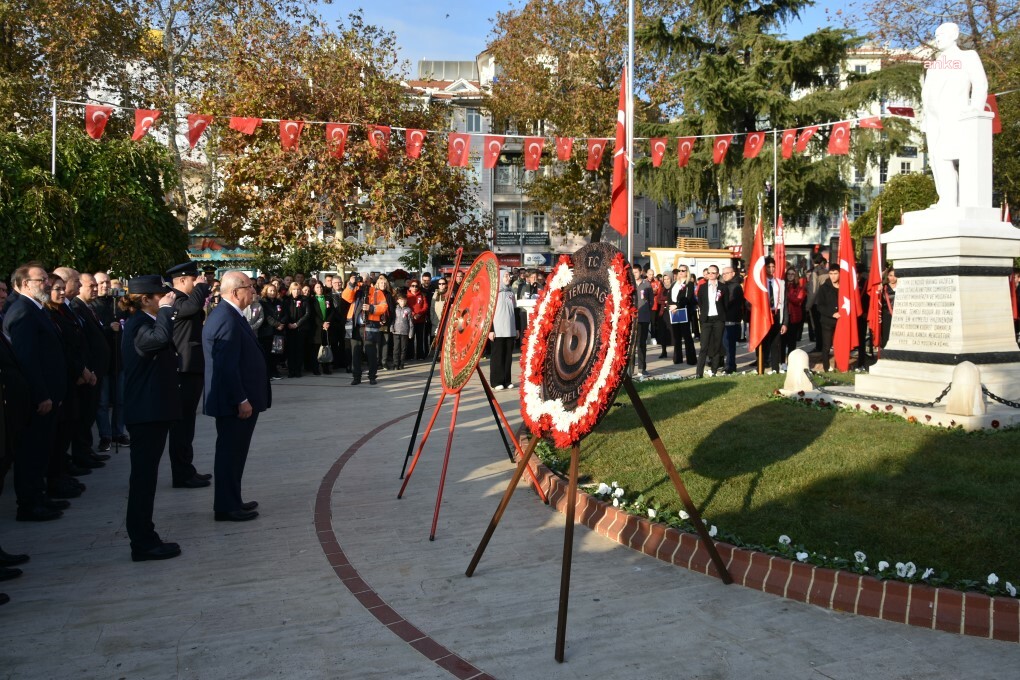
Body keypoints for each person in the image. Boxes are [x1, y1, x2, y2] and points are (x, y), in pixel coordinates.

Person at [120, 276, 182, 561]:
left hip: (154, 411)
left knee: (147, 477)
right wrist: (167, 312)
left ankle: (145, 536)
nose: (166, 299)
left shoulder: (146, 322)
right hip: (146, 413)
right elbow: (157, 341)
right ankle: (143, 542)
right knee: (143, 479)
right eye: (160, 296)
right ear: (145, 299)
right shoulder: (139, 325)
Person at [202, 272, 270, 522]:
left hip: (238, 400)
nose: (253, 291)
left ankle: (233, 499)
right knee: (230, 453)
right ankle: (226, 506)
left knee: (235, 453)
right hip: (233, 403)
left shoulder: (231, 315)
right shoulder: (226, 319)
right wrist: (241, 399)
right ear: (234, 292)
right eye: (249, 287)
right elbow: (226, 367)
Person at [3, 264, 68, 521]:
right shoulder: (23, 311)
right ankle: (29, 504)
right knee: (32, 451)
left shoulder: (36, 309)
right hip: (38, 397)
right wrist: (41, 394)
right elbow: (27, 358)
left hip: (50, 393)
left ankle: (39, 497)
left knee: (42, 450)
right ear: (23, 284)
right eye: (41, 280)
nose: (47, 284)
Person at [921, 22, 989, 208]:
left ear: (954, 35)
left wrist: (975, 109)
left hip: (956, 115)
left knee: (946, 156)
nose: (938, 38)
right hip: (934, 119)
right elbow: (927, 93)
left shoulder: (967, 56)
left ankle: (953, 200)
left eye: (941, 34)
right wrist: (925, 118)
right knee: (936, 160)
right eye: (936, 34)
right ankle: (946, 198)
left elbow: (980, 84)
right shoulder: (934, 65)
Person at [165, 261, 213, 490]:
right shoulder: (174, 299)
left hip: (191, 368)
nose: (198, 283)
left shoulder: (184, 299)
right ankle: (181, 474)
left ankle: (187, 469)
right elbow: (193, 308)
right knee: (181, 426)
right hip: (182, 370)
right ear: (183, 280)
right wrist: (202, 288)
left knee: (188, 423)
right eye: (194, 280)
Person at [92, 271, 127, 450]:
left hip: (118, 358)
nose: (105, 286)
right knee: (103, 402)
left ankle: (118, 432)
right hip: (103, 361)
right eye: (101, 283)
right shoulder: (92, 306)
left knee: (120, 399)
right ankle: (105, 435)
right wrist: (107, 329)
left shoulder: (117, 304)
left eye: (107, 282)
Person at [345, 274, 388, 386]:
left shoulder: (377, 292)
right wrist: (351, 282)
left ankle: (372, 377)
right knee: (355, 354)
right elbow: (346, 297)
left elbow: (384, 307)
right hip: (355, 327)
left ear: (370, 281)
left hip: (370, 327)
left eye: (366, 280)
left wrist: (372, 308)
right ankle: (356, 377)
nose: (364, 282)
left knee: (371, 354)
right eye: (362, 280)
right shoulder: (355, 289)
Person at [489, 270, 519, 389]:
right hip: (498, 330)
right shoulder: (494, 293)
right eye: (506, 276)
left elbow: (515, 311)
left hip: (510, 329)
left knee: (508, 356)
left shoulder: (511, 292)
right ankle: (496, 381)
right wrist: (490, 330)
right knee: (498, 356)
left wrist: (517, 328)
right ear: (500, 277)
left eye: (508, 276)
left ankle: (507, 380)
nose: (508, 278)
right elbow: (489, 313)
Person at [695, 265, 726, 378]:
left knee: (717, 346)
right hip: (707, 320)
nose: (711, 275)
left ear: (717, 274)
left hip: (718, 320)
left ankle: (713, 371)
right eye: (709, 272)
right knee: (704, 346)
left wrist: (723, 316)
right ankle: (699, 372)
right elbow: (701, 302)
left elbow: (725, 303)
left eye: (714, 273)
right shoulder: (702, 287)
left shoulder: (723, 287)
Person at [760, 257, 788, 373]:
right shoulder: (761, 282)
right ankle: (761, 366)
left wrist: (785, 322)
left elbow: (785, 303)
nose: (771, 269)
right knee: (764, 342)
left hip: (776, 313)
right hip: (764, 315)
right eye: (768, 267)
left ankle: (775, 368)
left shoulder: (780, 283)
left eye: (773, 267)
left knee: (776, 343)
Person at [668, 267, 697, 365]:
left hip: (683, 310)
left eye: (683, 271)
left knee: (686, 335)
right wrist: (672, 305)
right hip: (674, 311)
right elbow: (669, 296)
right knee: (676, 336)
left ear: (687, 272)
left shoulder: (689, 284)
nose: (680, 272)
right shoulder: (674, 284)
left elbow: (687, 298)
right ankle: (677, 358)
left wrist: (677, 305)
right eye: (679, 271)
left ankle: (691, 359)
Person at [813, 266, 840, 372]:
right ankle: (826, 366)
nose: (833, 276)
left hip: (841, 321)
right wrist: (832, 314)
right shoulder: (824, 287)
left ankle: (840, 365)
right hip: (827, 321)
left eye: (835, 273)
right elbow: (820, 306)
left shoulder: (844, 287)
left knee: (839, 344)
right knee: (827, 345)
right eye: (831, 273)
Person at [282, 281, 310, 378]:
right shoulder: (286, 300)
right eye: (294, 289)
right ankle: (291, 370)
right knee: (290, 351)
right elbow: (284, 314)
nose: (296, 291)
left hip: (300, 329)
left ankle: (298, 370)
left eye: (298, 289)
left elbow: (307, 314)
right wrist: (288, 323)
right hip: (289, 329)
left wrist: (297, 324)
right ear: (291, 290)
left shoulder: (305, 300)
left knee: (299, 350)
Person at [308, 281, 336, 375]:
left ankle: (326, 368)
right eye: (317, 287)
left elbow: (332, 311)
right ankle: (315, 368)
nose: (319, 289)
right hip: (317, 328)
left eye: (320, 287)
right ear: (314, 289)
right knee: (316, 348)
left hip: (327, 327)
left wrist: (327, 322)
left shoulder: (328, 298)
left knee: (326, 347)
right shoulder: (312, 300)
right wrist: (321, 323)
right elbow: (313, 314)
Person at [721, 266, 745, 374]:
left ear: (733, 273)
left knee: (730, 345)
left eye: (727, 273)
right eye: (723, 273)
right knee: (725, 344)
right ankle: (728, 364)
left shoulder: (735, 287)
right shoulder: (725, 285)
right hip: (724, 318)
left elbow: (730, 301)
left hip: (731, 319)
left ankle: (730, 366)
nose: (724, 275)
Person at [258, 283, 284, 380]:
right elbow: (266, 316)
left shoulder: (279, 302)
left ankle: (275, 372)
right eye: (270, 291)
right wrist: (277, 324)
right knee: (267, 354)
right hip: (267, 332)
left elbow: (284, 313)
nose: (273, 292)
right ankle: (267, 373)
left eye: (274, 291)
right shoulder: (262, 302)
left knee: (276, 353)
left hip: (278, 332)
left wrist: (282, 323)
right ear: (266, 292)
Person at [632, 265, 652, 376]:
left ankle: (642, 368)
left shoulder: (646, 285)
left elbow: (651, 301)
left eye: (636, 272)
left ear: (641, 272)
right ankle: (630, 369)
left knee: (641, 344)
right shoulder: (630, 284)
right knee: (632, 345)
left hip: (643, 318)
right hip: (632, 318)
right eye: (633, 272)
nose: (634, 274)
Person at [783, 267, 807, 359]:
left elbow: (798, 300)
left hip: (794, 317)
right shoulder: (783, 285)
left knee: (792, 341)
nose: (790, 276)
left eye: (792, 274)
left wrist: (787, 295)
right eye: (788, 274)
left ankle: (791, 360)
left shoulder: (799, 288)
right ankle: (782, 362)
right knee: (782, 341)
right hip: (784, 316)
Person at [406, 279, 429, 361]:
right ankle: (410, 355)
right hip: (410, 321)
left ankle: (420, 355)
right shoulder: (407, 296)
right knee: (410, 338)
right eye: (413, 286)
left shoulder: (422, 295)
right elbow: (406, 306)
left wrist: (419, 314)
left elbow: (425, 306)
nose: (414, 287)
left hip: (420, 321)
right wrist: (412, 314)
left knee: (420, 339)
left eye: (416, 286)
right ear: (410, 287)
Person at [389, 295, 413, 370]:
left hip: (404, 331)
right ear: (398, 301)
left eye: (404, 301)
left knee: (403, 348)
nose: (403, 302)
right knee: (396, 348)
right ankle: (395, 363)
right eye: (401, 300)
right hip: (396, 331)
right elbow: (393, 320)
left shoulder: (408, 310)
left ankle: (401, 363)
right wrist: (391, 327)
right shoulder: (395, 309)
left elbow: (410, 322)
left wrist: (410, 332)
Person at [429, 277, 450, 356]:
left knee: (445, 337)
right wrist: (432, 318)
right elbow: (432, 307)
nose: (441, 285)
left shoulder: (449, 293)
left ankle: (444, 354)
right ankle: (437, 354)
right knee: (437, 337)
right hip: (436, 319)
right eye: (440, 284)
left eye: (443, 284)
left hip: (446, 319)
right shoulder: (435, 294)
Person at [880, 268, 897, 348]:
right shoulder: (883, 288)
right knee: (886, 336)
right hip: (886, 315)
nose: (893, 278)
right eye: (890, 275)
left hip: (899, 315)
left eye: (895, 276)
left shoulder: (902, 287)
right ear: (887, 276)